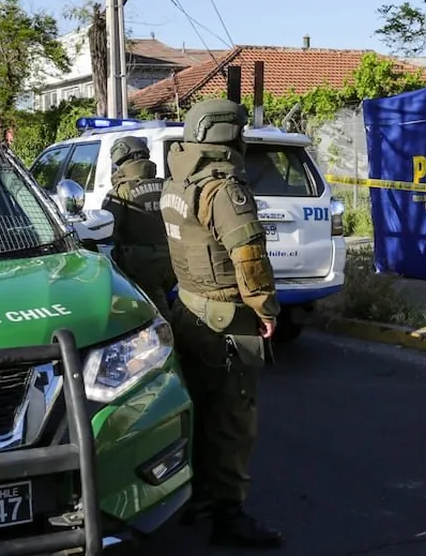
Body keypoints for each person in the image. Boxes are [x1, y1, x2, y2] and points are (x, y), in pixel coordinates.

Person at [160, 97, 283, 549]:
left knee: (197, 409)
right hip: (226, 318)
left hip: (188, 309)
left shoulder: (177, 181)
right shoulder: (222, 188)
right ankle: (228, 514)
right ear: (229, 135)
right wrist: (266, 309)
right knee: (233, 419)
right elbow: (248, 256)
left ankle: (196, 497)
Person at [102, 136, 176, 318]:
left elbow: (109, 230)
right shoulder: (167, 185)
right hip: (176, 260)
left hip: (140, 265)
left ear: (119, 159)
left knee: (156, 316)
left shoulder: (120, 192)